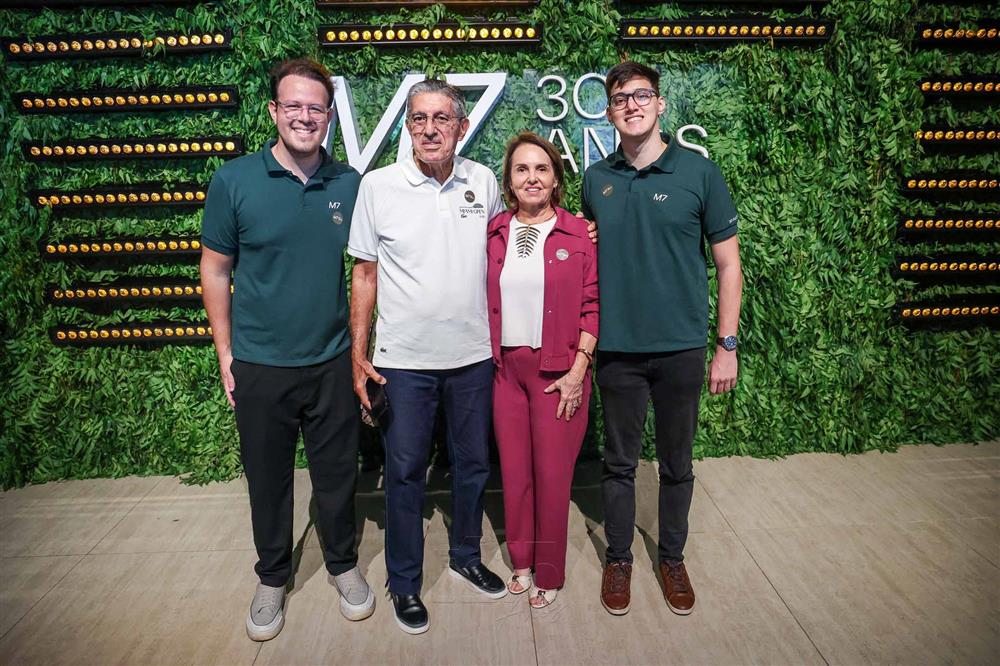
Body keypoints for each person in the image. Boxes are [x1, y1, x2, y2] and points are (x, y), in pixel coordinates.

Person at [200, 57, 375, 642]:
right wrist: (226, 353)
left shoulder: (349, 184)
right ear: (274, 110)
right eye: (293, 105)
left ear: (329, 116)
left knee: (337, 475)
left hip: (331, 361)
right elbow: (215, 269)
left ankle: (343, 564)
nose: (305, 116)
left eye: (315, 107)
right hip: (260, 364)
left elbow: (371, 266)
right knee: (268, 479)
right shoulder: (234, 181)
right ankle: (273, 576)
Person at [347, 78, 509, 635]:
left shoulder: (482, 181)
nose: (430, 129)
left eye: (442, 118)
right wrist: (359, 354)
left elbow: (508, 248)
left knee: (474, 465)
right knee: (405, 471)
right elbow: (364, 274)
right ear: (407, 126)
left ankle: (466, 556)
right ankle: (405, 581)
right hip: (404, 361)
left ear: (461, 127)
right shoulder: (378, 187)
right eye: (419, 118)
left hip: (473, 356)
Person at [582, 61, 743, 617]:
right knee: (618, 464)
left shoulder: (699, 173)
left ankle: (672, 558)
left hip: (680, 349)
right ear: (609, 112)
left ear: (660, 104)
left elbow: (729, 265)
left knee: (677, 464)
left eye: (641, 95)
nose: (631, 105)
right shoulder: (596, 179)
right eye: (620, 98)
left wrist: (726, 346)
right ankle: (619, 559)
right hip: (617, 350)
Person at [486, 132, 598, 609]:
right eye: (521, 169)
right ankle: (521, 562)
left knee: (552, 477)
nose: (532, 177)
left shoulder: (579, 234)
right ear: (509, 182)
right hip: (505, 372)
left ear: (555, 180)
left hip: (558, 372)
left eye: (542, 169)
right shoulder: (493, 232)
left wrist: (578, 370)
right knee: (515, 474)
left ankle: (549, 572)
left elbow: (593, 305)